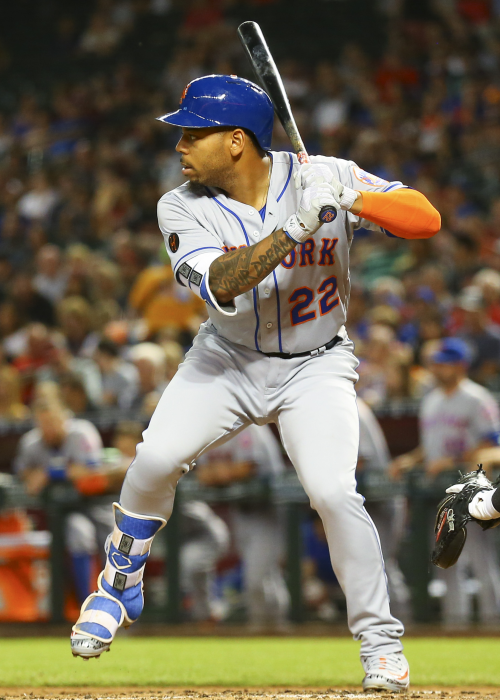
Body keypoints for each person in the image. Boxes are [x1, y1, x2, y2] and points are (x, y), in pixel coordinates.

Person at [71, 74, 440, 691]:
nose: (180, 145)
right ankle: (119, 581)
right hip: (228, 358)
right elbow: (221, 282)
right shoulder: (180, 205)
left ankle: (381, 644)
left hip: (316, 363)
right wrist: (294, 229)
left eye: (193, 134)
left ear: (237, 141)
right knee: (155, 458)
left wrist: (352, 198)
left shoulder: (325, 174)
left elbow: (425, 220)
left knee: (333, 492)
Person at [391, 337, 500, 627]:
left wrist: (450, 462)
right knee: (447, 560)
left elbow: (492, 445)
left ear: (461, 365)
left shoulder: (478, 398)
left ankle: (493, 623)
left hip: (473, 490)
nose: (438, 369)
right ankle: (455, 625)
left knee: (480, 560)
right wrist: (411, 459)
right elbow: (431, 448)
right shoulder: (431, 400)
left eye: (445, 364)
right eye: (437, 364)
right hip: (439, 492)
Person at [14, 397, 113, 603]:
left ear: (64, 418)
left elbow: (91, 472)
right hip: (64, 512)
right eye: (43, 424)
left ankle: (119, 603)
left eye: (52, 422)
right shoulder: (31, 442)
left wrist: (50, 472)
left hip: (96, 504)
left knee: (115, 544)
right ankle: (86, 605)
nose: (48, 429)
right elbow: (25, 477)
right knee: (80, 534)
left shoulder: (82, 432)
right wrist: (37, 475)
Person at [196, 423, 289, 629]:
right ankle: (277, 625)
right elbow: (202, 474)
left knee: (256, 578)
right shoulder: (209, 429)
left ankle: (265, 624)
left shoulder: (248, 426)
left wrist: (222, 473)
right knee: (264, 575)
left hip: (268, 508)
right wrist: (224, 472)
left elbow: (246, 467)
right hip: (241, 510)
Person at [356, 397, 411, 622]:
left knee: (382, 565)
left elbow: (359, 461)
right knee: (370, 568)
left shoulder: (350, 406)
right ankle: (380, 624)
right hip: (366, 501)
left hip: (382, 500)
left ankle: (404, 625)